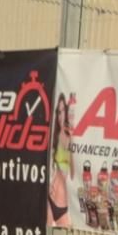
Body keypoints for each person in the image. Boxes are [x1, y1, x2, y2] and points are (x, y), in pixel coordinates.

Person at [47, 92, 74, 226]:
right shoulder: (54, 135)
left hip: (60, 195)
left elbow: (73, 170)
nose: (60, 115)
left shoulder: (67, 134)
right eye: (58, 112)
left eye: (63, 111)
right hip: (50, 192)